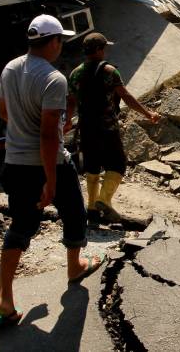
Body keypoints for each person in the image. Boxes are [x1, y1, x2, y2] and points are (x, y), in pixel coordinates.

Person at [0, 15, 106, 325]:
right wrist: (50, 182)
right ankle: (74, 267)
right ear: (54, 41)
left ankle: (4, 297)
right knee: (74, 211)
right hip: (47, 163)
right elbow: (46, 136)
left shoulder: (10, 68)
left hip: (14, 162)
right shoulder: (54, 78)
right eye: (61, 41)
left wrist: (31, 121)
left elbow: (5, 112)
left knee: (22, 225)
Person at [67, 32, 160, 223]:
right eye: (104, 47)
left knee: (92, 167)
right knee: (117, 164)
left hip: (85, 128)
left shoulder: (75, 73)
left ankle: (92, 209)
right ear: (100, 49)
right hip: (107, 128)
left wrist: (67, 121)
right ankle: (104, 199)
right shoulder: (110, 71)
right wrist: (148, 113)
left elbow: (70, 102)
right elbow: (125, 96)